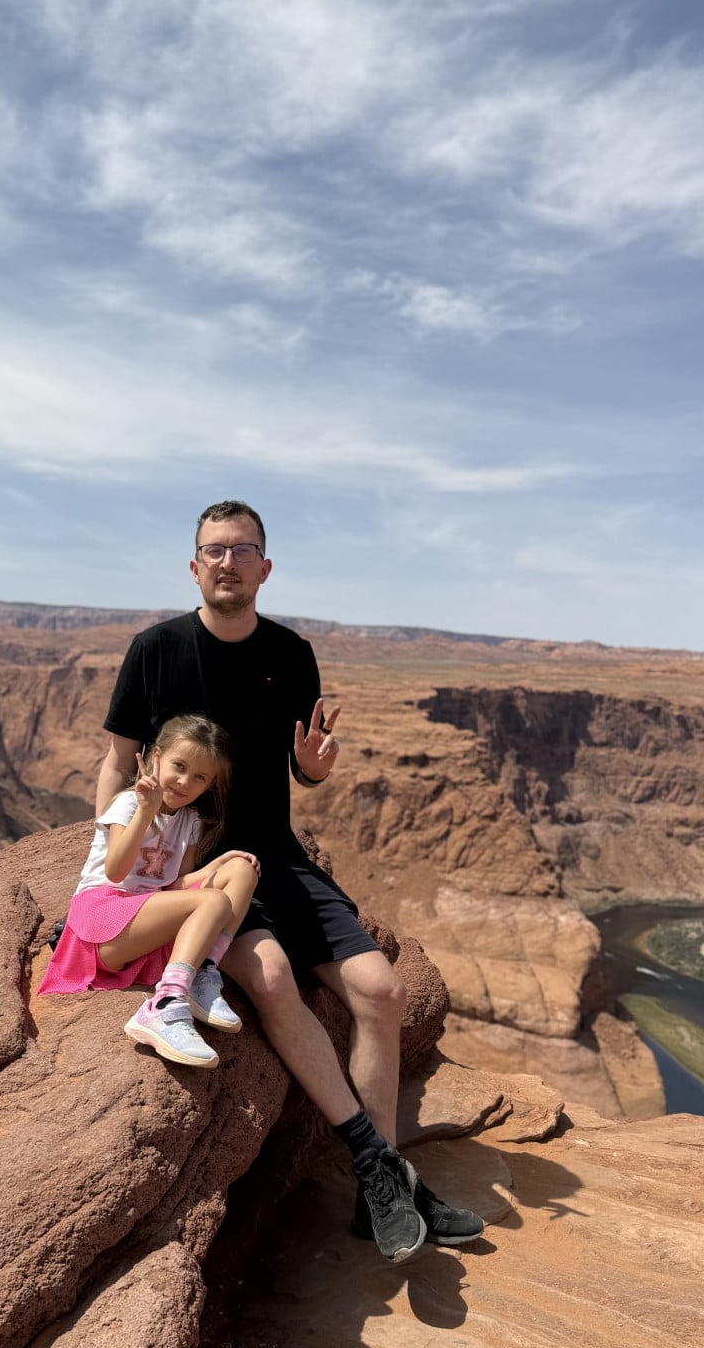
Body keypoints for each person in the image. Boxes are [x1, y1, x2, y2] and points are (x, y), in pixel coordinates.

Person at [95, 501, 484, 1262]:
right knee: (272, 979)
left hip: (277, 854)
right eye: (215, 550)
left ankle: (382, 1191)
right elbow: (116, 761)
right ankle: (381, 1170)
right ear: (194, 567)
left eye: (243, 550)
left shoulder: (291, 653)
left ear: (265, 568)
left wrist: (311, 769)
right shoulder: (155, 650)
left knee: (382, 992)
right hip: (199, 867)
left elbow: (304, 767)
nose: (228, 562)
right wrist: (107, 863)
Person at [39, 713, 261, 1070]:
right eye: (179, 766)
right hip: (102, 920)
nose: (185, 781)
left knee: (241, 870)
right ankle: (163, 1006)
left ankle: (201, 971)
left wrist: (215, 868)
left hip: (145, 916)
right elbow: (115, 871)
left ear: (210, 784)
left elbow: (175, 886)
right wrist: (146, 811)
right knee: (213, 900)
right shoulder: (128, 804)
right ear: (155, 756)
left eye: (200, 777)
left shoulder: (190, 821)